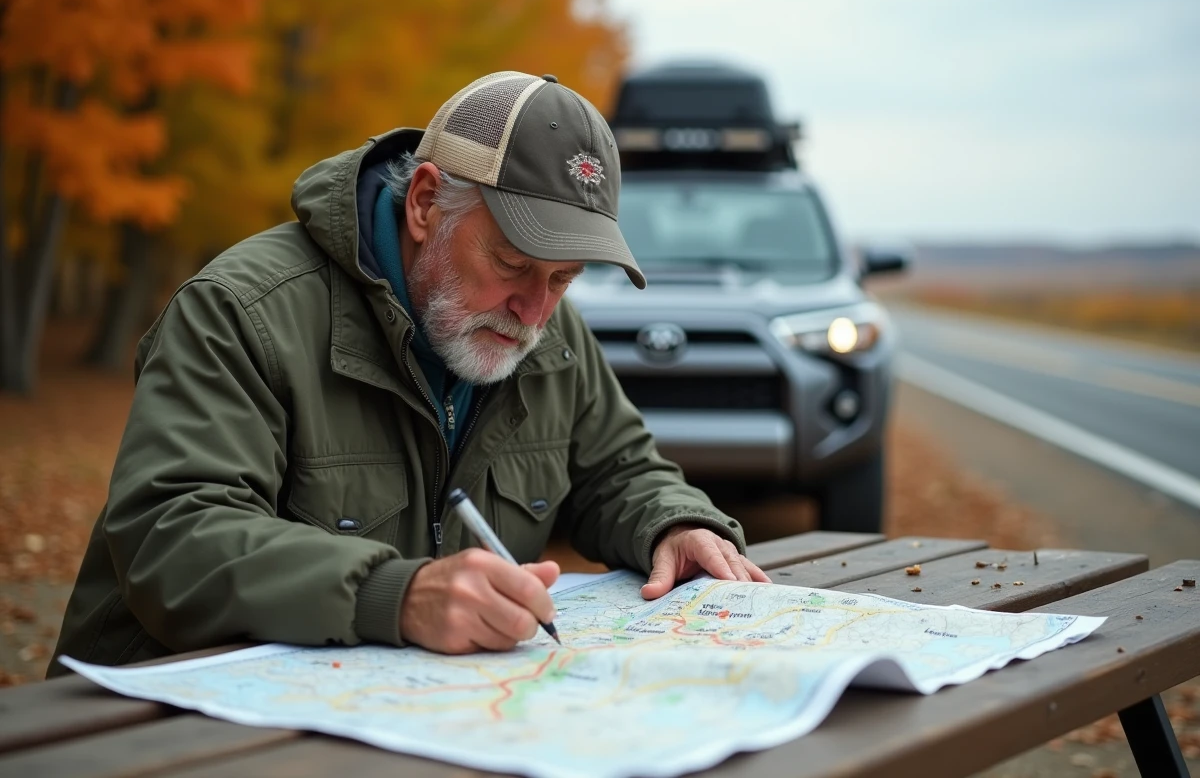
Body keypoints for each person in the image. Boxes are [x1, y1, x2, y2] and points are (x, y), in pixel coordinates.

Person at [48, 71, 769, 676]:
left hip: (397, 719)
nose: (534, 310)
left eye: (564, 279)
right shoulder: (242, 313)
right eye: (512, 263)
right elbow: (171, 538)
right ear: (426, 203)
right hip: (155, 726)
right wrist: (396, 595)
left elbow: (618, 471)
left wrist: (672, 523)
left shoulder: (547, 332)